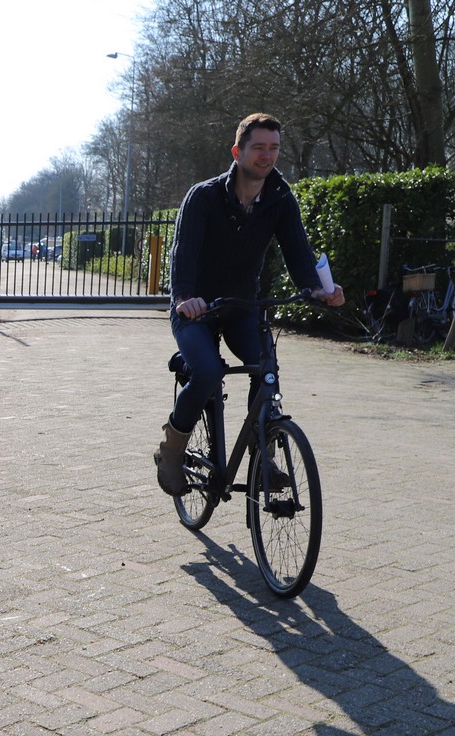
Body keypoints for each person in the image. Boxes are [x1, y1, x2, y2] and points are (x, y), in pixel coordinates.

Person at [157, 112, 346, 495]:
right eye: (258, 147)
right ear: (237, 152)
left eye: (273, 148)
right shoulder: (203, 197)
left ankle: (264, 460)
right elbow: (183, 253)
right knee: (208, 372)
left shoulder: (280, 198)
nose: (267, 156)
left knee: (266, 368)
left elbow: (298, 252)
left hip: (243, 307)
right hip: (196, 310)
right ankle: (172, 450)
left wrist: (318, 289)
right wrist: (185, 298)